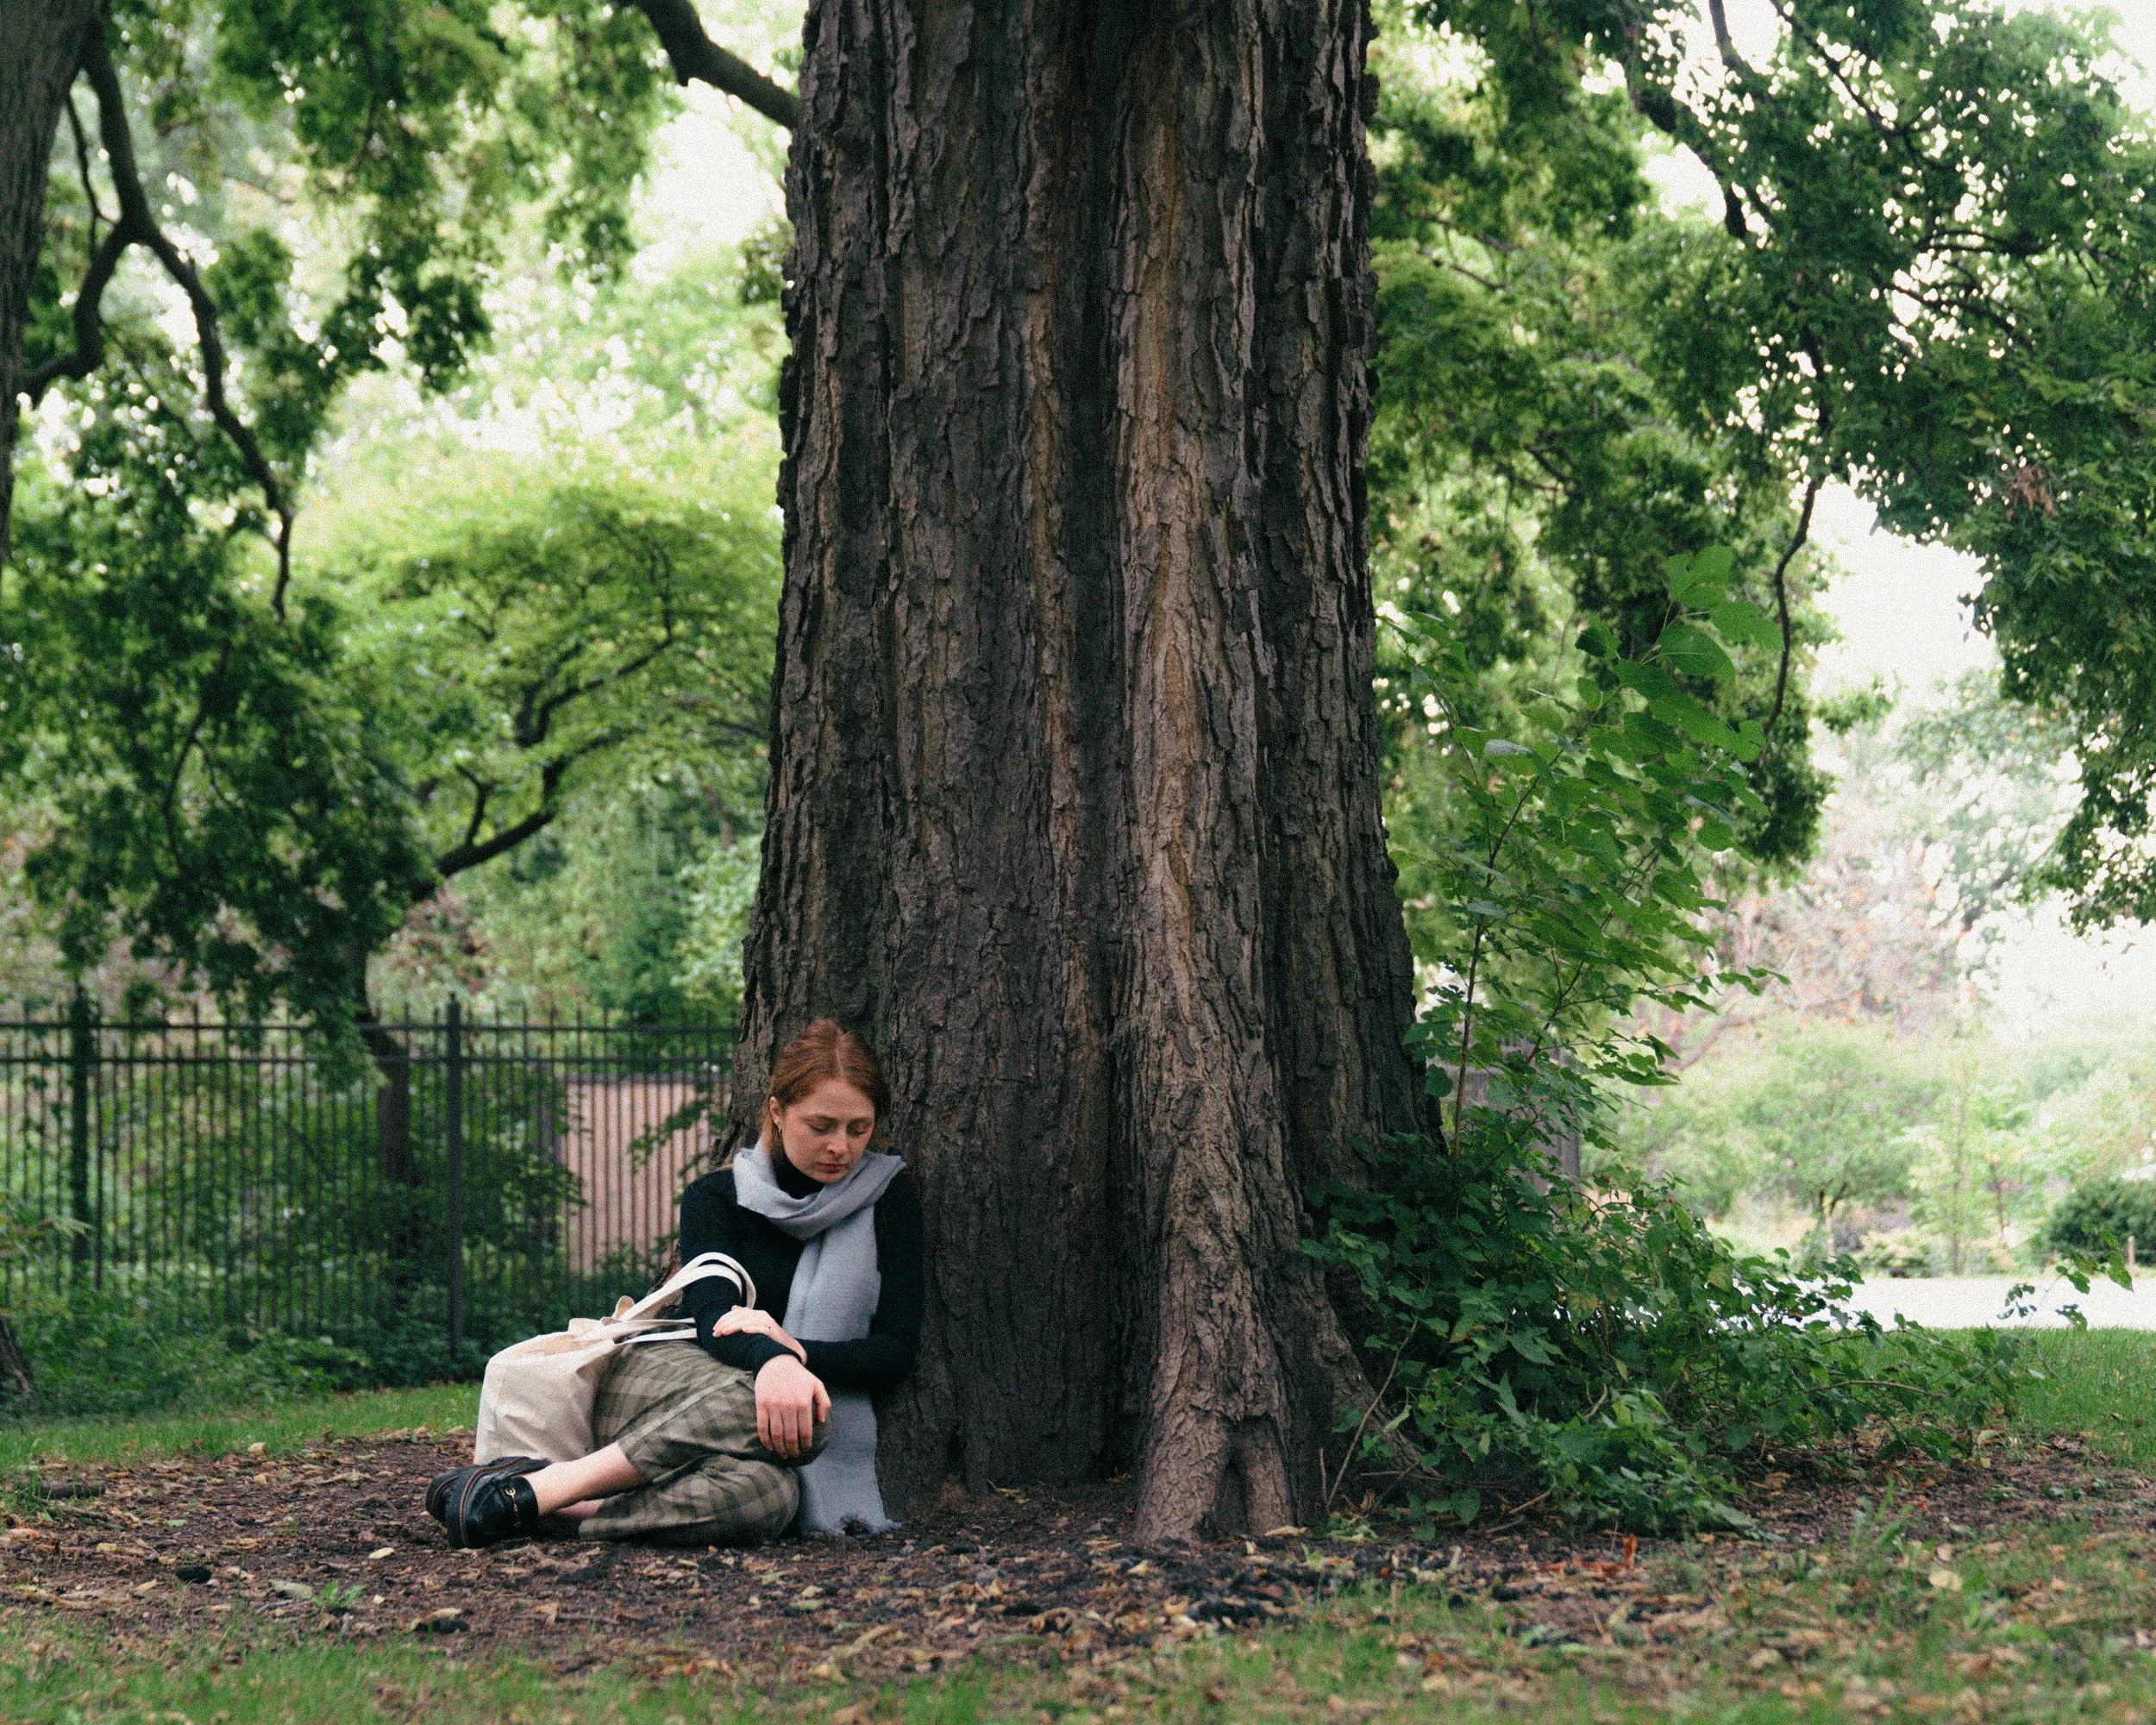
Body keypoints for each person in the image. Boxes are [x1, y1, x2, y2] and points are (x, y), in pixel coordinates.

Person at [425, 1019, 924, 1548]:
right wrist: (776, 1365)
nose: (840, 1147)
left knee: (766, 1497)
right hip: (664, 1377)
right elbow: (714, 1319)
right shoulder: (717, 1198)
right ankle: (551, 1482)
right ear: (777, 1112)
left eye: (858, 1128)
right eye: (820, 1126)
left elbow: (894, 1351)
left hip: (753, 1412)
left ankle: (542, 1505)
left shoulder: (889, 1200)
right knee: (798, 1410)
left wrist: (791, 1352)